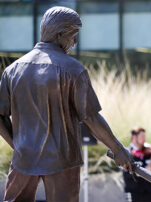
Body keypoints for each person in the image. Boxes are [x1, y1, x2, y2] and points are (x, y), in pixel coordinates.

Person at [0, 6, 132, 202]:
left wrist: (19, 145)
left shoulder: (13, 70)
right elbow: (91, 117)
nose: (75, 42)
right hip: (62, 161)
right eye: (74, 34)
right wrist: (119, 150)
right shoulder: (73, 70)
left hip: (23, 160)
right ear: (60, 34)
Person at [123, 127, 151, 202]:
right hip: (134, 194)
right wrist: (144, 170)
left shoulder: (148, 152)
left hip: (148, 193)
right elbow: (126, 173)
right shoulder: (126, 153)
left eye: (145, 137)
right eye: (142, 136)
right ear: (134, 137)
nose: (144, 139)